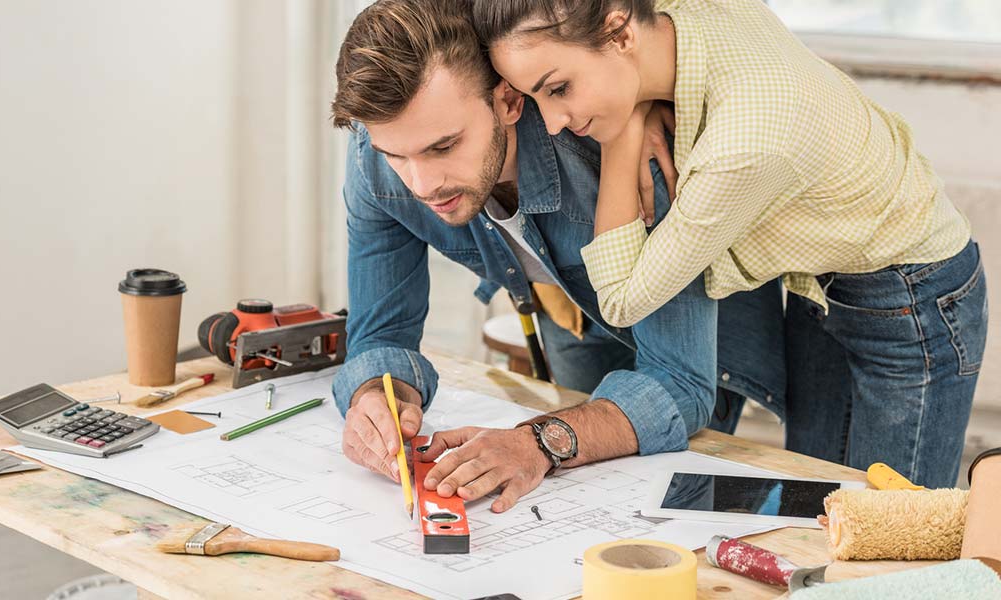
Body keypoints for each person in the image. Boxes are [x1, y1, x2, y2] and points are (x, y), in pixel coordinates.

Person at [473, 0, 987, 487]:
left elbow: (620, 299)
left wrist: (625, 130)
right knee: (821, 508)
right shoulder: (680, 18)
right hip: (822, 283)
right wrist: (641, 97)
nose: (556, 122)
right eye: (536, 98)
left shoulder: (744, 141)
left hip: (913, 301)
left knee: (899, 543)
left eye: (559, 89)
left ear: (620, 32)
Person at [329, 0, 787, 513]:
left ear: (507, 101)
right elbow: (380, 334)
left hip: (716, 330)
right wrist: (375, 394)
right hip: (567, 311)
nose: (422, 184)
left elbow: (679, 382)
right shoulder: (380, 150)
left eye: (444, 147)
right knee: (588, 509)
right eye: (397, 155)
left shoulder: (619, 151)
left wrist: (538, 442)